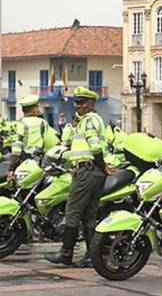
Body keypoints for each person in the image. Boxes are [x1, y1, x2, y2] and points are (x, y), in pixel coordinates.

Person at [45, 86, 113, 268]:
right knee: (89, 215)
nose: (78, 106)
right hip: (92, 171)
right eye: (76, 102)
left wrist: (103, 166)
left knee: (73, 212)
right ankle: (92, 256)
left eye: (82, 102)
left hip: (87, 171)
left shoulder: (89, 121)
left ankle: (66, 253)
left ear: (92, 103)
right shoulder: (86, 120)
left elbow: (95, 148)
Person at [7, 95, 51, 181]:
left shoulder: (20, 123)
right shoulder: (43, 123)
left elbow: (16, 148)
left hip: (24, 161)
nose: (38, 109)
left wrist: (11, 168)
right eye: (37, 107)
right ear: (34, 109)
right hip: (40, 161)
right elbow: (48, 142)